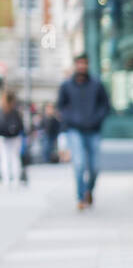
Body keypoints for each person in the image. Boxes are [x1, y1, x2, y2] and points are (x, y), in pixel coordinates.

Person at [57, 53, 110, 210]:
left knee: (94, 167)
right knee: (79, 164)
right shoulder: (66, 86)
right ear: (75, 65)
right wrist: (70, 119)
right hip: (75, 130)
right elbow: (61, 107)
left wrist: (97, 119)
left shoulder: (97, 84)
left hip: (93, 130)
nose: (81, 66)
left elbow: (105, 105)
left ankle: (88, 191)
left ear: (87, 65)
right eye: (79, 63)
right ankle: (81, 197)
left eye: (84, 63)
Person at [0, 92, 24, 189]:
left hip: (9, 137)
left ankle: (10, 179)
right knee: (11, 158)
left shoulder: (8, 112)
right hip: (9, 137)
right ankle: (12, 179)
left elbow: (20, 126)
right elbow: (21, 126)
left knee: (9, 158)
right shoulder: (13, 111)